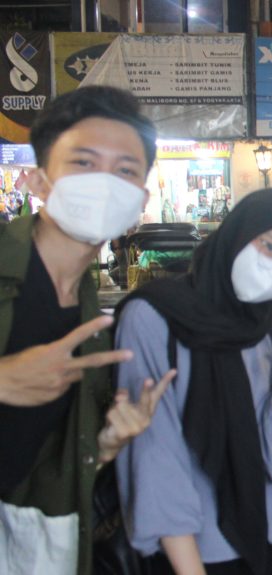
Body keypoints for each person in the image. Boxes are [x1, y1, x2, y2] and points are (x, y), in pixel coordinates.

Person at [114, 189, 272, 574]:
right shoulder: (153, 317)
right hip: (195, 551)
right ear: (239, 232)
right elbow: (155, 457)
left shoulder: (269, 323)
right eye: (271, 247)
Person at [0, 86, 171, 574]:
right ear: (39, 181)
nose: (104, 183)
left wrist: (105, 445)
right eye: (83, 163)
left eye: (125, 170)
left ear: (140, 199)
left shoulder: (90, 313)